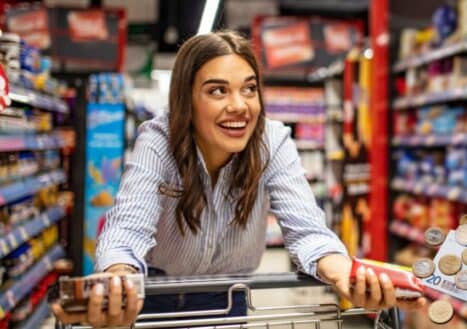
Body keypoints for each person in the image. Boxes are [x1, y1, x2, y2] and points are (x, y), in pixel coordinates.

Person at [51, 30, 426, 327]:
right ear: (187, 99)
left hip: (228, 296)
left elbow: (308, 231)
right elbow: (127, 228)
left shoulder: (272, 141)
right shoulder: (159, 139)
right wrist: (118, 279)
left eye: (249, 88)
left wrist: (345, 273)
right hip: (154, 297)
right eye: (218, 90)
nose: (239, 105)